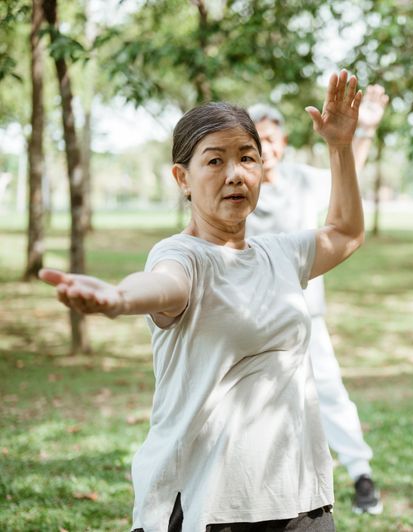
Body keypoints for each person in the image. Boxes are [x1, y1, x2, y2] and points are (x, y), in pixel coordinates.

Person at [39, 70, 366, 531]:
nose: (235, 175)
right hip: (209, 504)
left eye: (246, 158)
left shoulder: (281, 254)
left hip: (299, 500)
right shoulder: (183, 257)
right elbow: (161, 286)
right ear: (183, 178)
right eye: (214, 162)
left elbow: (347, 231)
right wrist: (116, 298)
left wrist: (340, 146)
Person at [246, 85, 389, 516]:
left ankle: (361, 475)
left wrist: (362, 131)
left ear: (284, 142)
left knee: (329, 393)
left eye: (271, 138)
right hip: (253, 321)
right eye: (256, 139)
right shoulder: (237, 186)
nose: (265, 147)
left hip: (306, 316)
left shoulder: (303, 180)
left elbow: (347, 178)